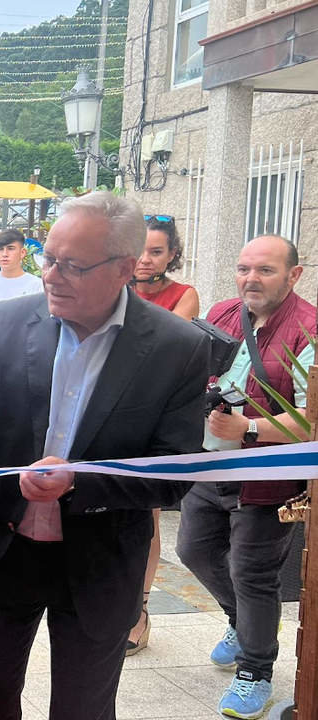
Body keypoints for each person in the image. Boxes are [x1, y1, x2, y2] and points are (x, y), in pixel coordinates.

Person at [0, 191, 211, 720]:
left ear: (124, 267)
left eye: (72, 266)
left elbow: (174, 473)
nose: (51, 275)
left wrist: (78, 482)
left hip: (101, 559)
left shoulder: (177, 347)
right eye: (47, 258)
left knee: (82, 707)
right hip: (3, 549)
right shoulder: (6, 323)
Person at [177, 234, 314, 719]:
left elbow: (313, 419)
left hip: (266, 475)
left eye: (265, 270)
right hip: (210, 463)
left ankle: (254, 670)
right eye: (244, 269)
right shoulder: (222, 314)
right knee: (191, 549)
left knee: (252, 573)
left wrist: (249, 427)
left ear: (293, 275)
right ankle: (242, 620)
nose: (250, 278)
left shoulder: (308, 330)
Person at [127, 213, 202, 657]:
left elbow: (162, 352)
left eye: (156, 251)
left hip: (153, 416)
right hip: (108, 414)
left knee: (147, 514)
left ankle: (141, 609)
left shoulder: (184, 295)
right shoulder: (115, 288)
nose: (144, 259)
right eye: (140, 249)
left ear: (172, 254)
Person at [0, 228, 44, 320]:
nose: (5, 254)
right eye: (0, 249)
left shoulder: (37, 285)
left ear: (22, 252)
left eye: (10, 249)